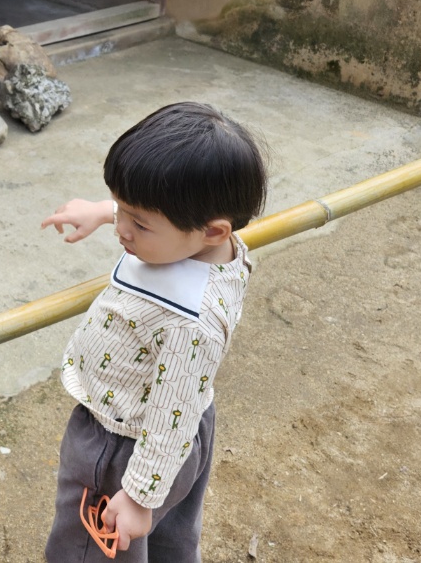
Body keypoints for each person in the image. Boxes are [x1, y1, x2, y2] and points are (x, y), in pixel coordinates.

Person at [39, 102, 266, 561]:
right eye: (122, 208)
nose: (122, 228)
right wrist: (105, 211)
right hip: (185, 433)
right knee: (170, 541)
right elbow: (160, 212)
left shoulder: (190, 323)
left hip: (127, 444)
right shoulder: (213, 248)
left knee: (91, 547)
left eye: (138, 222)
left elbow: (170, 411)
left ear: (211, 230)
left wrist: (140, 495)